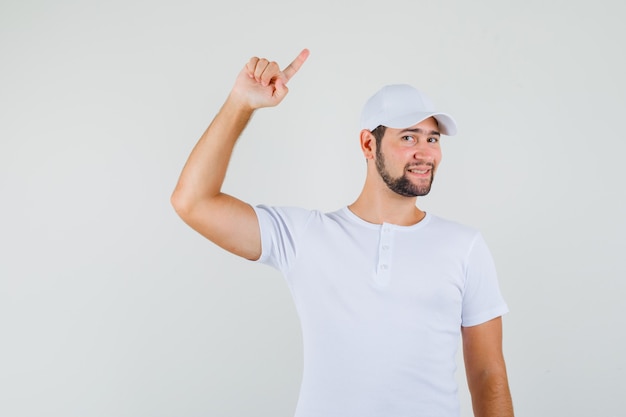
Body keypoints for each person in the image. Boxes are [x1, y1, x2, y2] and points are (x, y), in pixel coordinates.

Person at [171, 48, 514, 417]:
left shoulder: (464, 246)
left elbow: (487, 374)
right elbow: (193, 201)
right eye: (409, 138)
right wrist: (241, 104)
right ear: (369, 144)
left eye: (432, 139)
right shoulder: (305, 236)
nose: (425, 153)